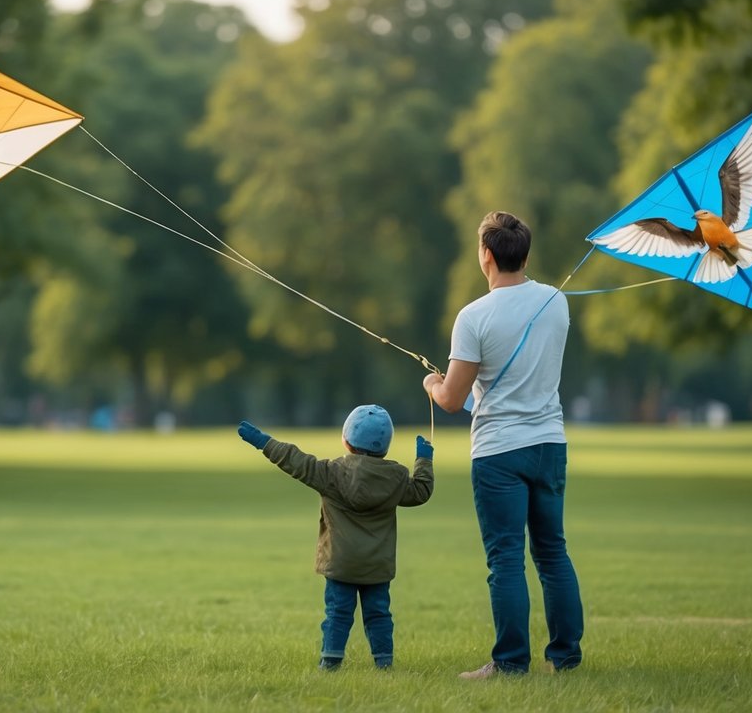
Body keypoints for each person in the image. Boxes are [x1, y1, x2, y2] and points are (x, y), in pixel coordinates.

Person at [422, 210, 583, 678]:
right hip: (550, 444)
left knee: (507, 557)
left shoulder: (473, 316)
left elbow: (452, 399)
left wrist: (432, 382)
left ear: (486, 256)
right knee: (553, 551)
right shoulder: (556, 302)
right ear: (524, 254)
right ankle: (566, 658)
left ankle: (511, 663)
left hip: (498, 452)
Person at [237, 405, 434, 671]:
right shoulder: (396, 478)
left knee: (337, 614)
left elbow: (295, 461)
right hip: (377, 565)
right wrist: (424, 459)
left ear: (346, 440)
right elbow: (420, 492)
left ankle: (330, 661)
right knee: (378, 614)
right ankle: (384, 663)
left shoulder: (331, 473)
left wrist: (264, 442)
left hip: (340, 563)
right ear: (385, 447)